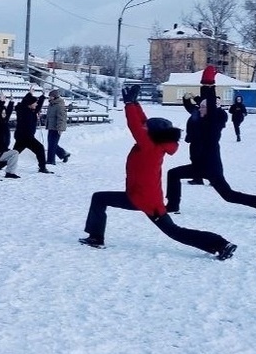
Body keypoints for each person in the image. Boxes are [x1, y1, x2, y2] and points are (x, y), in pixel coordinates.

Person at [79, 83, 237, 260]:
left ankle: (221, 244)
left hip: (143, 199)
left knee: (175, 232)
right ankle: (95, 237)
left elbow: (135, 127)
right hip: (141, 195)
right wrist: (135, 104)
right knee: (100, 198)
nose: (144, 128)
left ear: (152, 134)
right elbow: (143, 123)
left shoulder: (148, 146)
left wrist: (129, 105)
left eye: (147, 129)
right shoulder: (156, 142)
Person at [166, 67, 256, 220]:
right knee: (173, 174)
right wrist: (189, 98)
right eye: (200, 106)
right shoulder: (201, 116)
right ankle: (172, 205)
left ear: (213, 108)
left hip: (211, 167)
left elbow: (210, 103)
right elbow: (196, 106)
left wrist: (208, 83)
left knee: (229, 195)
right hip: (200, 165)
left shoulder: (214, 120)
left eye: (203, 107)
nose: (200, 109)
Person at [13, 88, 51, 173]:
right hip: (25, 136)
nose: (36, 104)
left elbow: (38, 106)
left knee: (15, 152)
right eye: (35, 103)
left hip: (24, 137)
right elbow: (24, 103)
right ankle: (42, 168)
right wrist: (29, 94)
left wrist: (42, 97)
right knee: (40, 148)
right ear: (30, 104)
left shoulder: (31, 111)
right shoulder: (23, 111)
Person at [45, 89, 71, 165]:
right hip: (51, 126)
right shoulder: (52, 104)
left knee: (52, 144)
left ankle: (51, 160)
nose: (49, 97)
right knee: (51, 143)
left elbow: (62, 118)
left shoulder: (59, 105)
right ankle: (63, 154)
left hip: (56, 128)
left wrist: (60, 129)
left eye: (50, 96)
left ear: (54, 97)